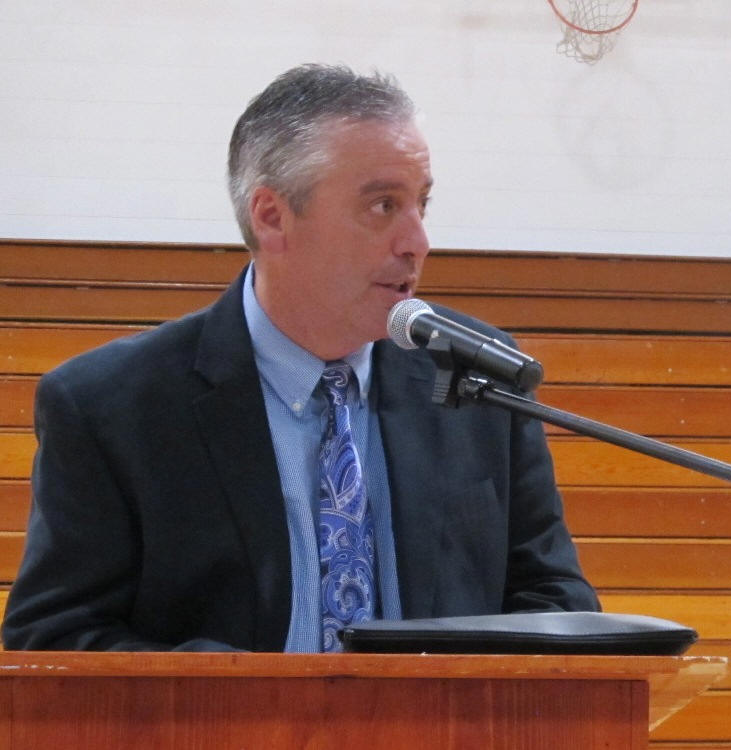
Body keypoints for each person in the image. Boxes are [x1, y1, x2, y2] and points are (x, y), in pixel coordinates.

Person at [3, 64, 599, 652]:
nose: (417, 241)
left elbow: (556, 602)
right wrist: (248, 696)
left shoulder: (476, 377)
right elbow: (52, 638)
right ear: (272, 218)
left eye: (422, 204)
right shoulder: (110, 407)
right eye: (383, 206)